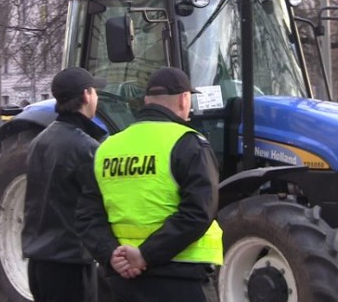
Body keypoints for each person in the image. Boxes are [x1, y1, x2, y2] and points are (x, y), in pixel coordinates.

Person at [77, 66, 223, 302]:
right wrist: (145, 255)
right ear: (185, 99)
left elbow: (87, 215)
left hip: (119, 281)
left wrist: (111, 254)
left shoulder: (107, 147)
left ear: (147, 101)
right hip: (180, 279)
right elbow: (198, 212)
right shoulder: (189, 143)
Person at [22, 67, 107, 302]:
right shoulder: (87, 148)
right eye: (95, 92)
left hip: (39, 262)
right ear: (86, 95)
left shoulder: (39, 142)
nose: (97, 98)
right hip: (71, 264)